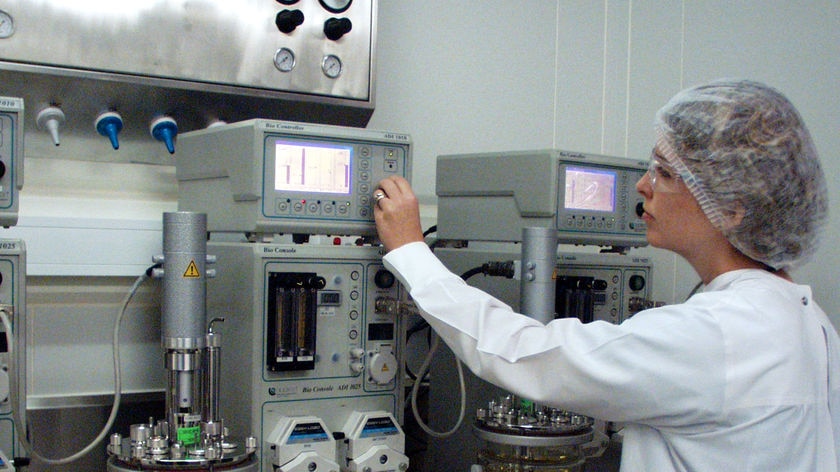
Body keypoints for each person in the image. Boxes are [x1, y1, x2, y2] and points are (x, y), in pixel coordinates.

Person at [372, 79, 840, 471]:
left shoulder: (714, 335)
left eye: (666, 173)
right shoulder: (808, 321)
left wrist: (412, 250)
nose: (642, 186)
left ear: (734, 208)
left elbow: (522, 351)